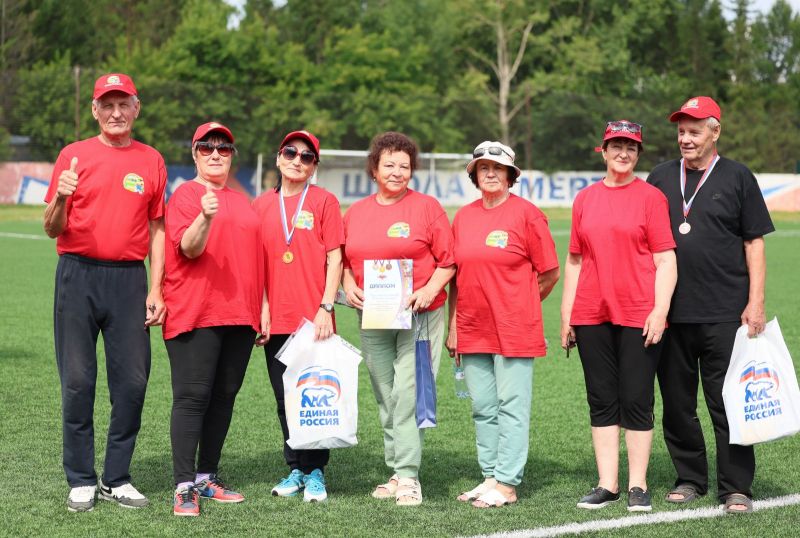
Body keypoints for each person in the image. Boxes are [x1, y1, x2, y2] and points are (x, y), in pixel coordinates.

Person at [43, 73, 166, 512]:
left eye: (123, 104)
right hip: (77, 277)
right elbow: (51, 228)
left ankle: (116, 478)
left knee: (132, 383)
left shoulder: (151, 160)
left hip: (129, 282)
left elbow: (158, 229)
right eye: (107, 105)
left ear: (136, 108)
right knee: (78, 382)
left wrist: (156, 287)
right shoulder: (73, 156)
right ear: (95, 110)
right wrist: (61, 197)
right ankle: (81, 479)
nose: (116, 113)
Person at [648, 97, 774, 514]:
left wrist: (756, 302)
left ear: (714, 132)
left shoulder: (738, 176)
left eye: (694, 131)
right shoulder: (660, 177)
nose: (686, 138)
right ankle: (689, 478)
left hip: (725, 313)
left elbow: (754, 243)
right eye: (681, 131)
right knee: (677, 404)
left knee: (728, 403)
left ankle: (736, 487)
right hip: (671, 313)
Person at [560, 120, 677, 512]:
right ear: (604, 150)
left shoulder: (651, 198)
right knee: (601, 399)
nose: (623, 153)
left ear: (638, 154)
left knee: (637, 398)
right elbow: (575, 260)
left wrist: (660, 310)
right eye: (616, 146)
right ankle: (607, 484)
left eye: (631, 147)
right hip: (591, 312)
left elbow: (665, 260)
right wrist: (567, 314)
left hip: (638, 313)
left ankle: (637, 485)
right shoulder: (585, 198)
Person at [342, 131, 455, 506]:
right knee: (385, 394)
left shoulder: (427, 208)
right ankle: (396, 469)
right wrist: (348, 285)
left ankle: (408, 475)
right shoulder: (356, 212)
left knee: (408, 394)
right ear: (374, 169)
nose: (396, 172)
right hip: (373, 316)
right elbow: (343, 261)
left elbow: (449, 261)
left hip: (420, 316)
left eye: (404, 166)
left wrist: (428, 290)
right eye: (389, 164)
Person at [445, 141, 559, 508]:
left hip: (514, 328)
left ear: (510, 175)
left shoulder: (528, 215)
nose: (490, 173)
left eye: (498, 168)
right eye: (483, 168)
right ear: (475, 175)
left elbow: (549, 272)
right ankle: (491, 476)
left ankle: (507, 483)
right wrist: (453, 326)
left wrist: (520, 305)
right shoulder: (463, 217)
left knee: (511, 405)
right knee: (482, 406)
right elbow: (456, 278)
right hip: (471, 326)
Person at [162, 122, 265, 516]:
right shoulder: (186, 195)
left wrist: (262, 307)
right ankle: (183, 486)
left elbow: (255, 258)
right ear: (195, 154)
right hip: (196, 312)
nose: (216, 153)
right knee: (193, 398)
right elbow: (189, 248)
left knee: (224, 397)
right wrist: (204, 217)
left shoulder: (243, 201)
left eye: (224, 148)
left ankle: (206, 477)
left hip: (240, 314)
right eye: (207, 147)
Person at [252, 130, 344, 502]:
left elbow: (335, 258)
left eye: (306, 157)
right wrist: (262, 308)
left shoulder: (324, 201)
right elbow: (255, 264)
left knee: (315, 400)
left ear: (313, 166)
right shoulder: (260, 205)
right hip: (276, 319)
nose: (297, 160)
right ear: (279, 158)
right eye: (291, 153)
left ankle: (315, 470)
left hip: (315, 319)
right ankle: (295, 468)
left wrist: (326, 306)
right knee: (284, 400)